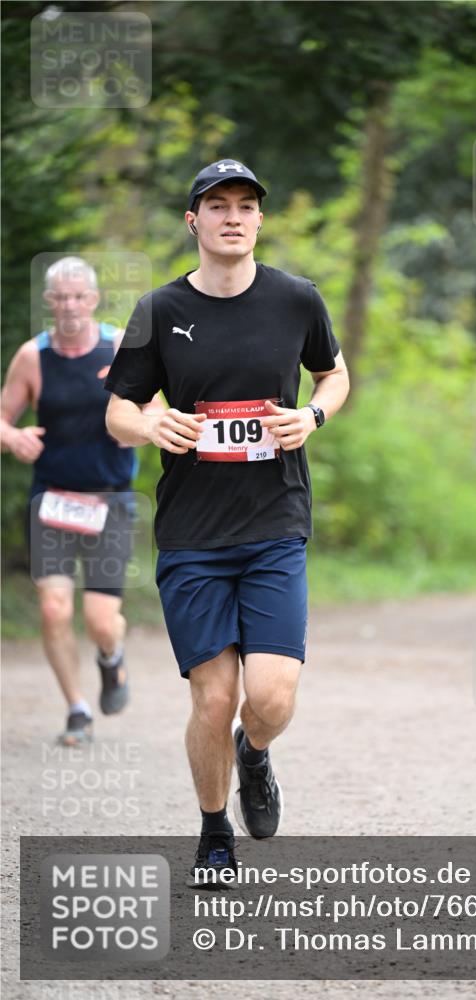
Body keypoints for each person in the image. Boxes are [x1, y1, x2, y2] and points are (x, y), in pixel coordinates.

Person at [104, 159, 349, 879]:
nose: (232, 216)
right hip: (191, 536)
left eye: (245, 205)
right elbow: (118, 408)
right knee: (213, 699)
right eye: (217, 206)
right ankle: (214, 832)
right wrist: (151, 428)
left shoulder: (296, 300)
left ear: (259, 220)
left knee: (268, 697)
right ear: (194, 221)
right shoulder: (158, 310)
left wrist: (312, 415)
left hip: (274, 522)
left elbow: (334, 372)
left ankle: (256, 753)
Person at [0, 256, 160, 746]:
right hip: (51, 499)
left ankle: (111, 660)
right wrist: (14, 438)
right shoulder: (33, 357)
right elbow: (3, 418)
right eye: (60, 297)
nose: (69, 305)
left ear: (92, 299)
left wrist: (136, 426)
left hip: (109, 501)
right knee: (52, 608)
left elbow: (157, 411)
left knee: (100, 621)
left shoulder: (120, 346)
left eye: (78, 296)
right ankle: (77, 708)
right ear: (49, 302)